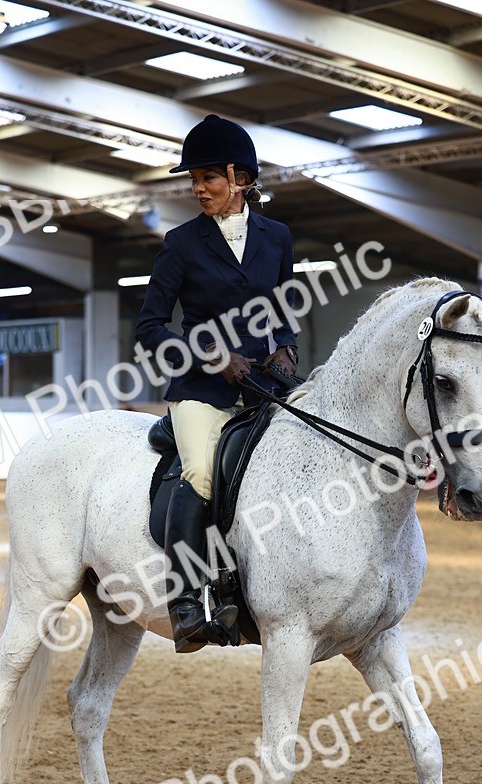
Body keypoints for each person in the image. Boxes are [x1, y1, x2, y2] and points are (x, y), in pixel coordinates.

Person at [136, 114, 299, 652]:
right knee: (203, 474)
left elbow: (283, 307)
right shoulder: (181, 243)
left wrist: (284, 346)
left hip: (262, 387)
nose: (198, 189)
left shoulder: (277, 237)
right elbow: (151, 328)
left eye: (208, 177)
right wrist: (213, 354)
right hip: (200, 391)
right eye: (194, 180)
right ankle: (184, 602)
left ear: (240, 176)